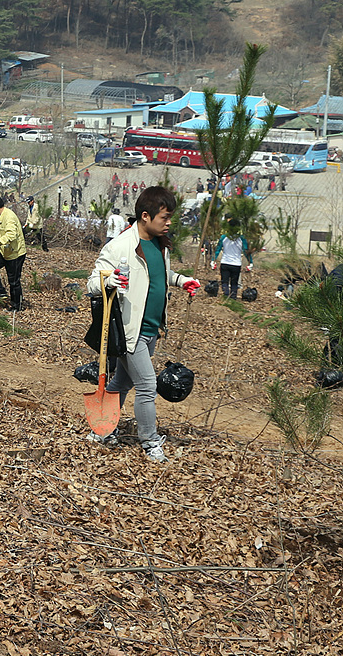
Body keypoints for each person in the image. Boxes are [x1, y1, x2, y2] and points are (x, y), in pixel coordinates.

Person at [86, 185, 201, 462]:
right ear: (146, 216)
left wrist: (180, 280)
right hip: (129, 331)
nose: (169, 222)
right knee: (148, 385)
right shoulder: (120, 246)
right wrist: (108, 281)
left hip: (150, 330)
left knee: (122, 382)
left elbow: (158, 273)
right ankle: (150, 442)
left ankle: (101, 430)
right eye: (165, 217)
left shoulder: (159, 244)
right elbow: (91, 283)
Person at [212, 218, 252, 298]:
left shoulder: (224, 237)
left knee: (225, 282)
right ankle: (233, 297)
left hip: (225, 263)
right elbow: (246, 251)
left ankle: (226, 296)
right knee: (234, 283)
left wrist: (213, 260)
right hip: (236, 264)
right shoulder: (241, 239)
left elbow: (218, 250)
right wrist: (250, 262)